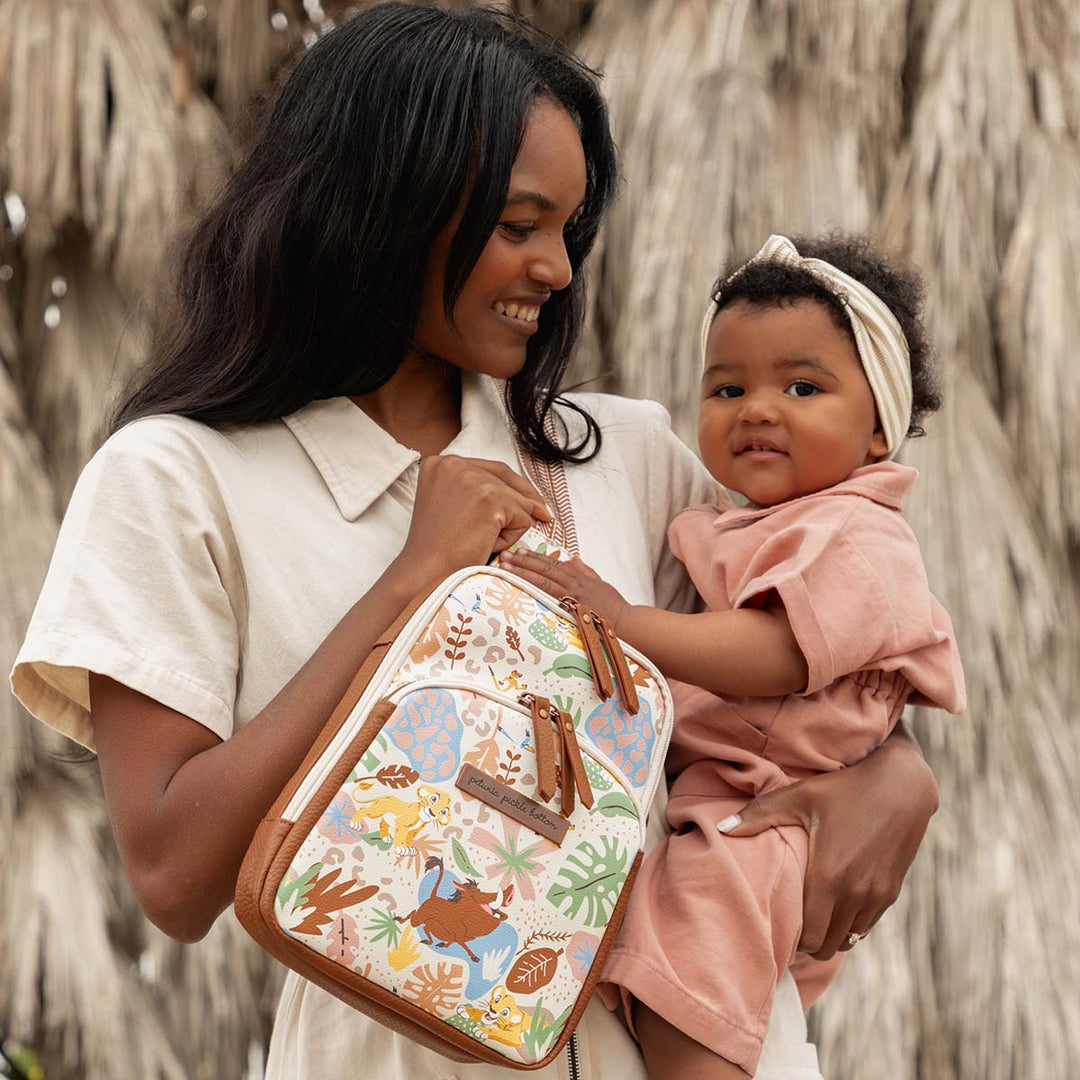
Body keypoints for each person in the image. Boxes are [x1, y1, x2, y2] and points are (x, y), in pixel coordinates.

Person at [9, 8, 941, 1078]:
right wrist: (413, 583)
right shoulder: (177, 480)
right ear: (382, 207)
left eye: (568, 231)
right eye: (517, 223)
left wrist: (900, 777)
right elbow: (173, 874)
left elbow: (815, 665)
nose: (555, 268)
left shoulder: (628, 462)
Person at [503, 233, 966, 1078]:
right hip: (732, 808)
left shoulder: (857, 532)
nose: (757, 407)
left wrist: (623, 620)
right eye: (728, 387)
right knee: (668, 983)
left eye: (802, 386)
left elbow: (779, 654)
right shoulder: (745, 520)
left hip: (765, 819)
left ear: (878, 430)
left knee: (691, 1014)